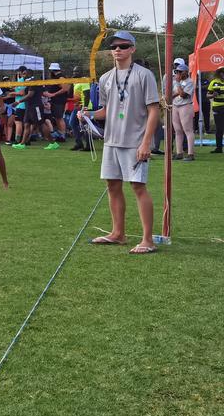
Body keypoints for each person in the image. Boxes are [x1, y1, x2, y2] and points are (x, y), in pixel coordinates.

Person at [84, 31, 161, 254]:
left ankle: (148, 240)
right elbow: (106, 111)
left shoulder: (144, 75)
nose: (118, 49)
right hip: (111, 141)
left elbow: (154, 110)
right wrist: (88, 114)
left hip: (135, 141)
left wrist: (146, 143)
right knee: (112, 186)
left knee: (138, 187)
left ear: (132, 49)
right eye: (114, 46)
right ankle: (118, 234)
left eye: (123, 46)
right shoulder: (105, 78)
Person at [170, 64, 196, 161]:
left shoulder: (189, 82)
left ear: (185, 72)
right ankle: (179, 152)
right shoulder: (178, 81)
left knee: (188, 130)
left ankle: (190, 154)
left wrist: (177, 83)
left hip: (185, 106)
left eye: (180, 72)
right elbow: (175, 93)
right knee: (177, 130)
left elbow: (183, 95)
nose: (178, 73)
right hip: (176, 106)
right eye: (177, 71)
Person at [208, 66, 224, 154]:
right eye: (221, 72)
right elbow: (208, 95)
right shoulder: (213, 82)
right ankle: (219, 148)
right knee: (219, 128)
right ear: (219, 73)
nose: (223, 73)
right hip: (217, 107)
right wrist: (213, 95)